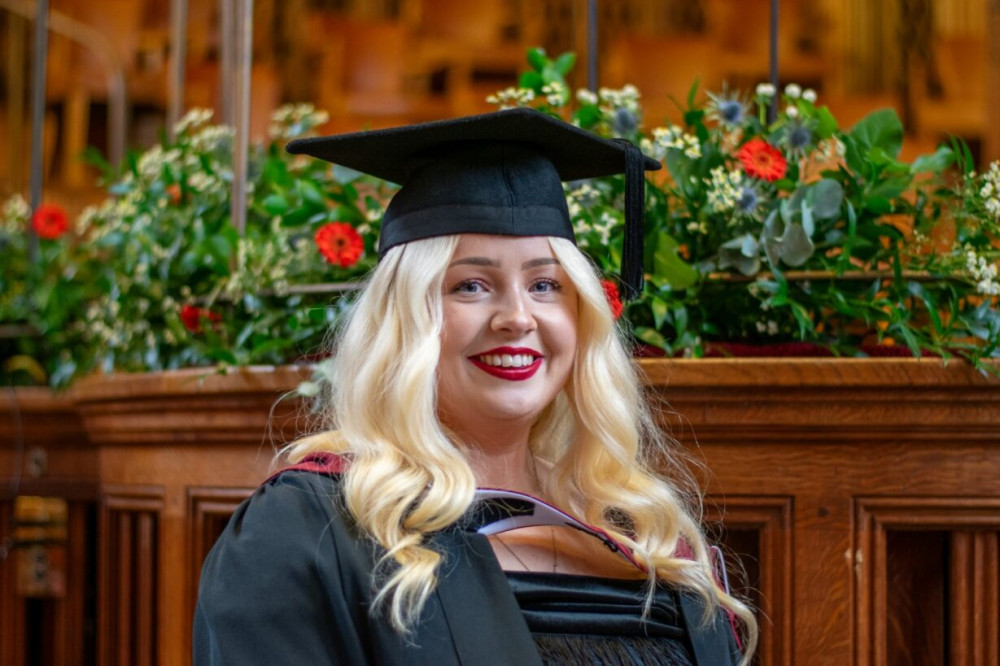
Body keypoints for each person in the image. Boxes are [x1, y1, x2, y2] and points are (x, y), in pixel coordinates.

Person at [194, 107, 757, 665]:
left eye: (544, 283)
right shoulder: (308, 532)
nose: (517, 316)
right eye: (470, 285)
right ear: (404, 322)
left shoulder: (641, 535)